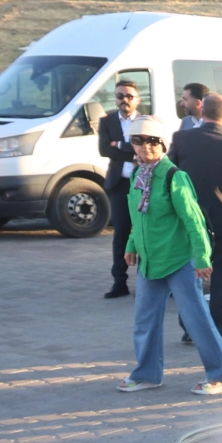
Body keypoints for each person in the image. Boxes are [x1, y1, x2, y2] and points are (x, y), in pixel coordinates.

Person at [116, 117, 222, 396]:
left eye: (151, 141)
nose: (145, 146)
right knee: (144, 320)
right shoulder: (138, 175)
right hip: (150, 261)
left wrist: (202, 257)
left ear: (162, 144)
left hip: (179, 260)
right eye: (138, 140)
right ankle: (147, 374)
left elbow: (193, 220)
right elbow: (137, 217)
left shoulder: (174, 177)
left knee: (196, 319)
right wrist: (131, 244)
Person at [169, 93, 222, 342]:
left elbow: (171, 178)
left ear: (202, 114)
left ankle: (191, 330)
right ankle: (219, 332)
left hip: (190, 221)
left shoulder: (181, 139)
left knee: (190, 276)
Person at [99, 78, 143, 299]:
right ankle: (119, 281)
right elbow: (104, 150)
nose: (124, 100)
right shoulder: (106, 122)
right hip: (118, 185)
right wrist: (132, 149)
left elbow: (146, 147)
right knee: (121, 233)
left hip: (143, 184)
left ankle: (149, 280)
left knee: (145, 230)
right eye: (120, 96)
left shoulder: (146, 121)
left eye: (129, 96)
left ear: (137, 99)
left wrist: (121, 145)